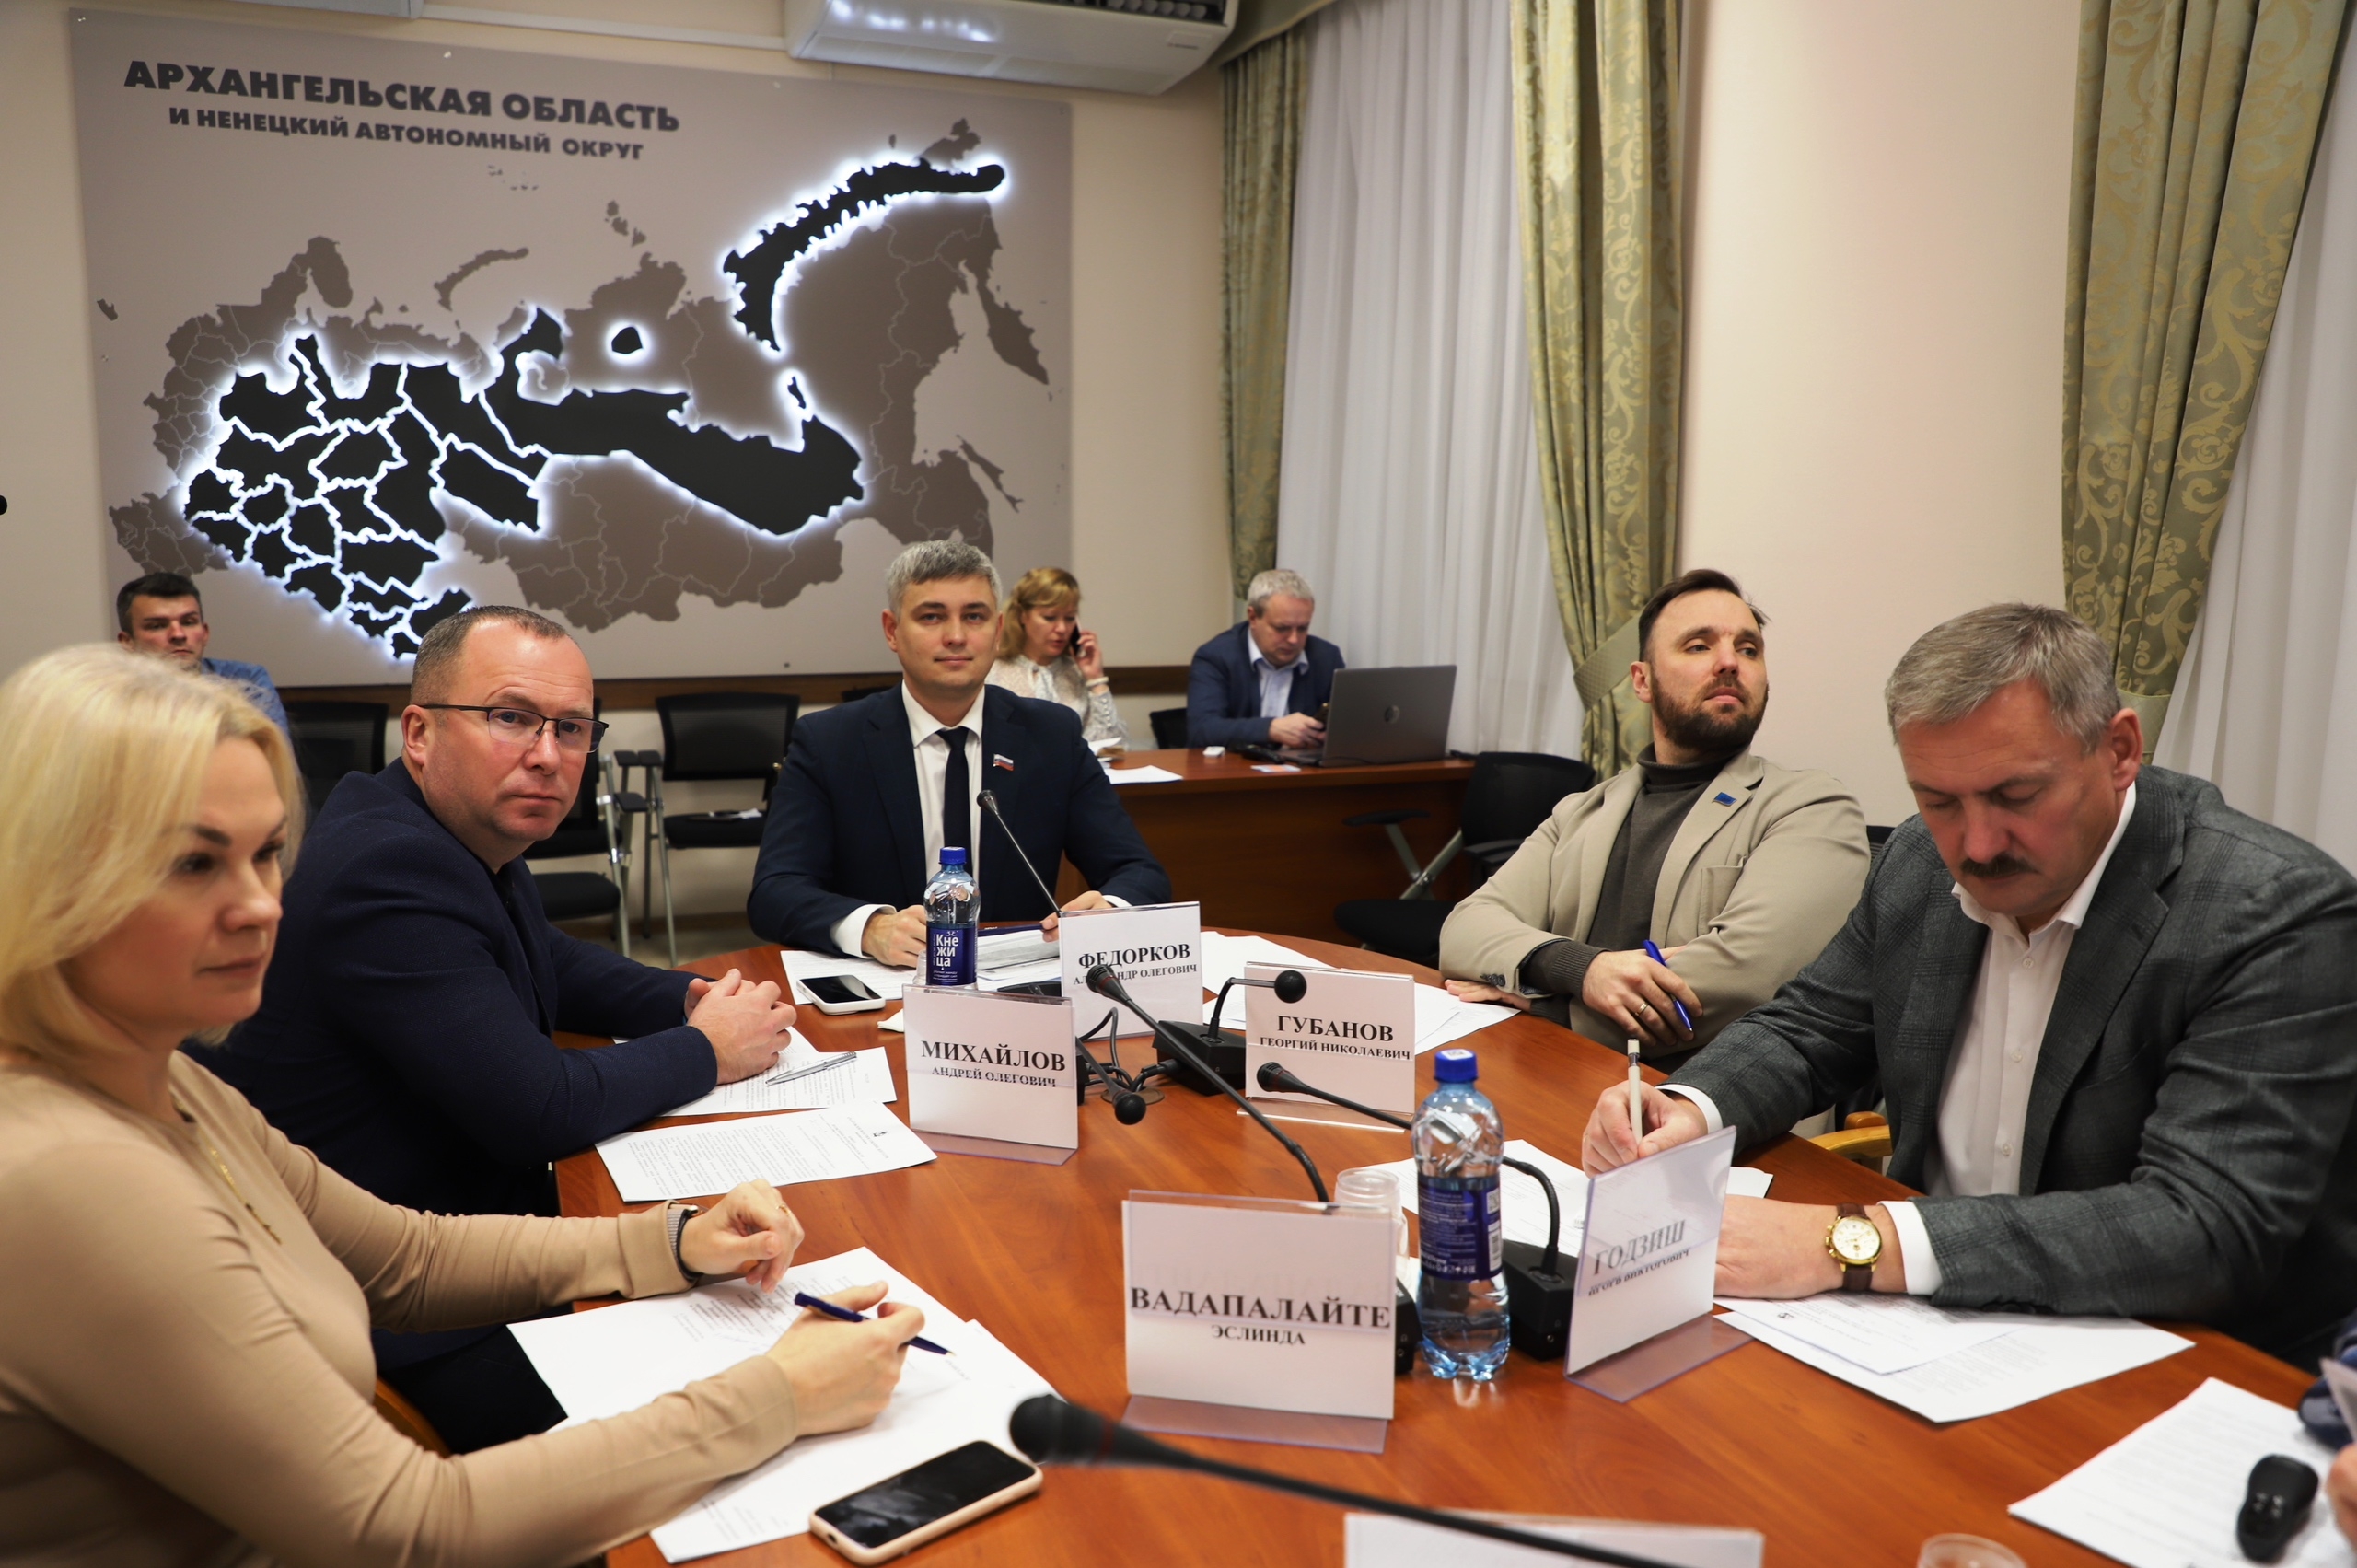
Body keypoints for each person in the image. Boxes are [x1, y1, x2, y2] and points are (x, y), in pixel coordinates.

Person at [0, 644, 923, 1566]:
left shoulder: (162, 1074)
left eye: (268, 853)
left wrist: (672, 1240)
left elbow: (406, 1255)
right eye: (195, 862)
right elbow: (409, 1525)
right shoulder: (70, 1172)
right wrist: (779, 1394)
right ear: (45, 873)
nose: (262, 905)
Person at [1581, 604, 2357, 1365]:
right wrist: (1690, 1106)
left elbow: (2203, 1225)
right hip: (1916, 1327)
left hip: (2164, 1355)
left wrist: (1848, 1241)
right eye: (1940, 800)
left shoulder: (2274, 912)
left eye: (2016, 796)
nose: (1977, 845)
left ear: (2120, 750)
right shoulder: (1921, 859)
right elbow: (1811, 1027)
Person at [194, 604, 798, 1451]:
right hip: (406, 1311)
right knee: (741, 1405)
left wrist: (690, 996)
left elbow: (544, 955)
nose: (547, 754)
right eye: (511, 718)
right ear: (419, 732)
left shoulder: (443, 826)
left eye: (572, 728)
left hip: (467, 1241)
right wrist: (708, 1047)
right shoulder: (388, 865)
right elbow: (537, 1108)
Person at [1438, 570, 1868, 1065]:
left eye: (1748, 649)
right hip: (1554, 1075)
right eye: (1699, 646)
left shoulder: (1812, 807)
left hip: (1699, 1096)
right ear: (1642, 680)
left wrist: (1546, 1009)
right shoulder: (1580, 811)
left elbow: (1748, 976)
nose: (1730, 662)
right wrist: (1583, 969)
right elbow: (1464, 929)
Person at [750, 540, 1172, 963]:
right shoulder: (829, 742)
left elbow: (1138, 871)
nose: (955, 637)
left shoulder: (1050, 735)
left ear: (998, 629)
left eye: (974, 617)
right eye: (931, 617)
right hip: (887, 979)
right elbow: (776, 890)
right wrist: (870, 928)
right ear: (892, 630)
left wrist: (1111, 909)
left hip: (1016, 978)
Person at [1185, 567, 1346, 749]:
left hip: (1301, 765)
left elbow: (1346, 725)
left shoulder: (1326, 658)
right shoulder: (1216, 657)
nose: (1294, 640)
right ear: (1253, 617)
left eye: (1302, 628)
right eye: (1282, 628)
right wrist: (1271, 729)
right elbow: (1202, 730)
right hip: (1237, 765)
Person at [116, 569, 290, 734]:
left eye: (189, 622)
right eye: (157, 626)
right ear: (127, 642)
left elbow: (274, 752)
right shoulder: (114, 697)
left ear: (205, 633)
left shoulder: (247, 681)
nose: (178, 634)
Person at [988, 565, 1128, 750]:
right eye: (1050, 617)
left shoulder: (1076, 674)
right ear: (1022, 616)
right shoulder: (993, 671)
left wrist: (1096, 679)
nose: (1062, 629)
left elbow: (1115, 746)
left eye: (1069, 618)